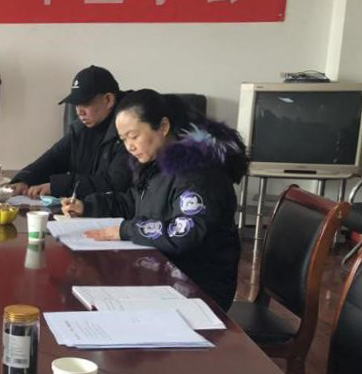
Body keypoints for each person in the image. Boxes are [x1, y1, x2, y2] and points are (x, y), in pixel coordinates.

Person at [61, 89, 248, 310]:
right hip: (164, 271)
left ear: (163, 127)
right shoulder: (156, 165)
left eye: (134, 136)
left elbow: (184, 232)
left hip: (198, 288)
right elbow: (135, 202)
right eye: (123, 139)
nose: (129, 146)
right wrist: (88, 206)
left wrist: (125, 230)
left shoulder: (198, 174)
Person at [9, 65, 131, 200]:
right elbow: (53, 158)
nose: (79, 112)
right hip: (81, 207)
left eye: (85, 103)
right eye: (76, 104)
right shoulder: (81, 129)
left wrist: (57, 186)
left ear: (108, 100)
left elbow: (114, 183)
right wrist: (24, 180)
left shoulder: (130, 133)